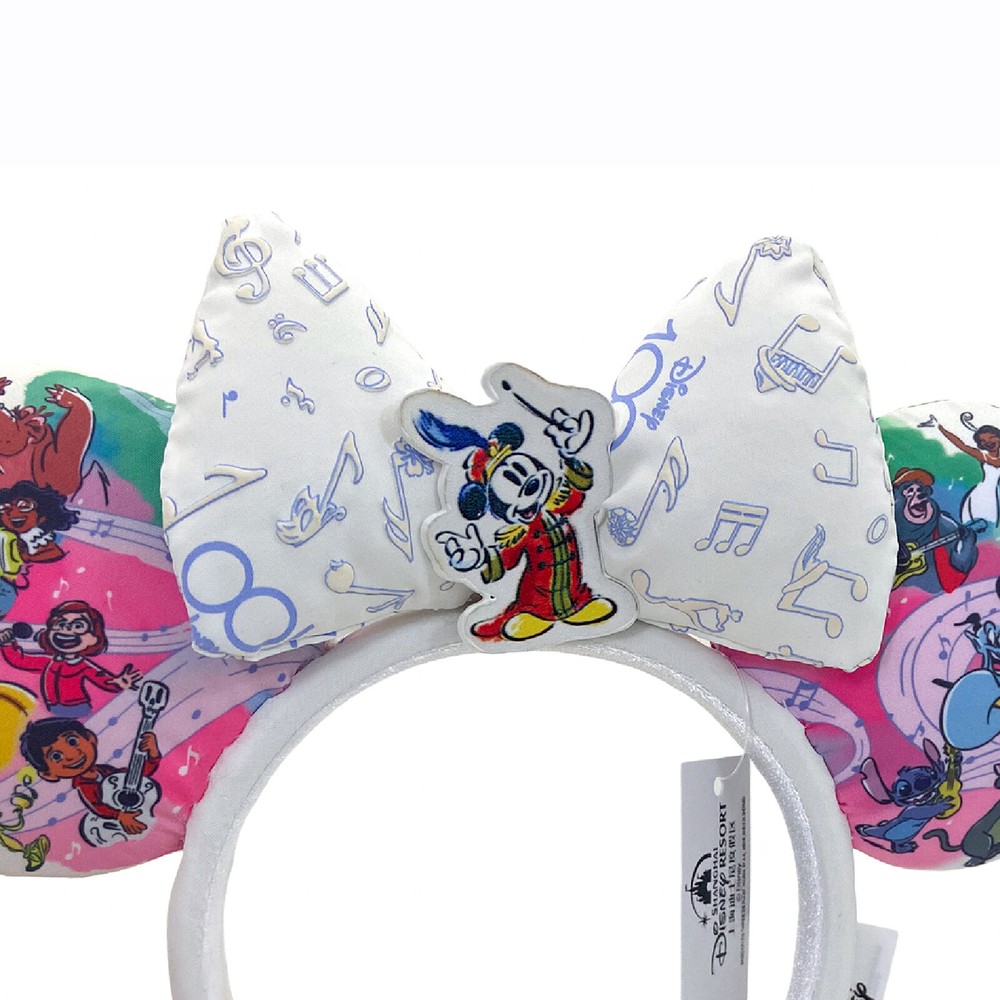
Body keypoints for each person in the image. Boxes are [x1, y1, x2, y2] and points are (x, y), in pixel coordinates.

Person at [19, 717, 160, 836]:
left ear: (90, 738)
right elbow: (98, 807)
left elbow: (138, 777)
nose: (72, 755)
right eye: (56, 756)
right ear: (48, 774)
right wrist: (119, 816)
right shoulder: (85, 786)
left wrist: (153, 754)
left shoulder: (106, 771)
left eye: (72, 741)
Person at [0, 601, 140, 716]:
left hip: (78, 709)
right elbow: (20, 661)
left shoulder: (82, 666)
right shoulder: (49, 663)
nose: (66, 629)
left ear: (93, 638)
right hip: (52, 709)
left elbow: (101, 678)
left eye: (78, 626)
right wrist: (7, 643)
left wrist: (117, 683)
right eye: (60, 624)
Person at [0, 480, 80, 564]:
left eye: (24, 506)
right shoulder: (10, 542)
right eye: (4, 509)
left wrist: (28, 558)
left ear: (43, 513)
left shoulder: (44, 542)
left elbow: (53, 555)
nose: (12, 513)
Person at [938, 422, 1000, 527]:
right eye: (983, 441)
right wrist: (941, 428)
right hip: (983, 494)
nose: (988, 442)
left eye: (991, 437)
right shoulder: (983, 456)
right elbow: (961, 445)